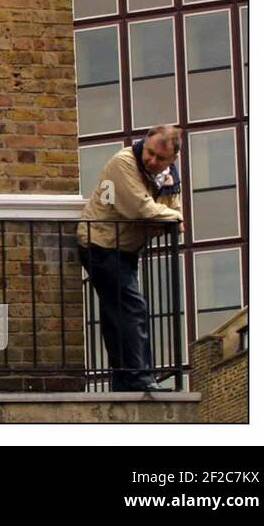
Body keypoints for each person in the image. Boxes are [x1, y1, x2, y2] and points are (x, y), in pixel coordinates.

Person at [77, 125, 184, 392]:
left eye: (161, 159)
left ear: (173, 160)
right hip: (100, 243)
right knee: (132, 308)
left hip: (124, 250)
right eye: (149, 153)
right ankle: (139, 377)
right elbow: (141, 208)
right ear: (144, 142)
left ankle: (124, 380)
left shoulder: (169, 177)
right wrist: (167, 217)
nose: (152, 160)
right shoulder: (123, 162)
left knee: (117, 314)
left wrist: (165, 216)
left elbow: (170, 211)